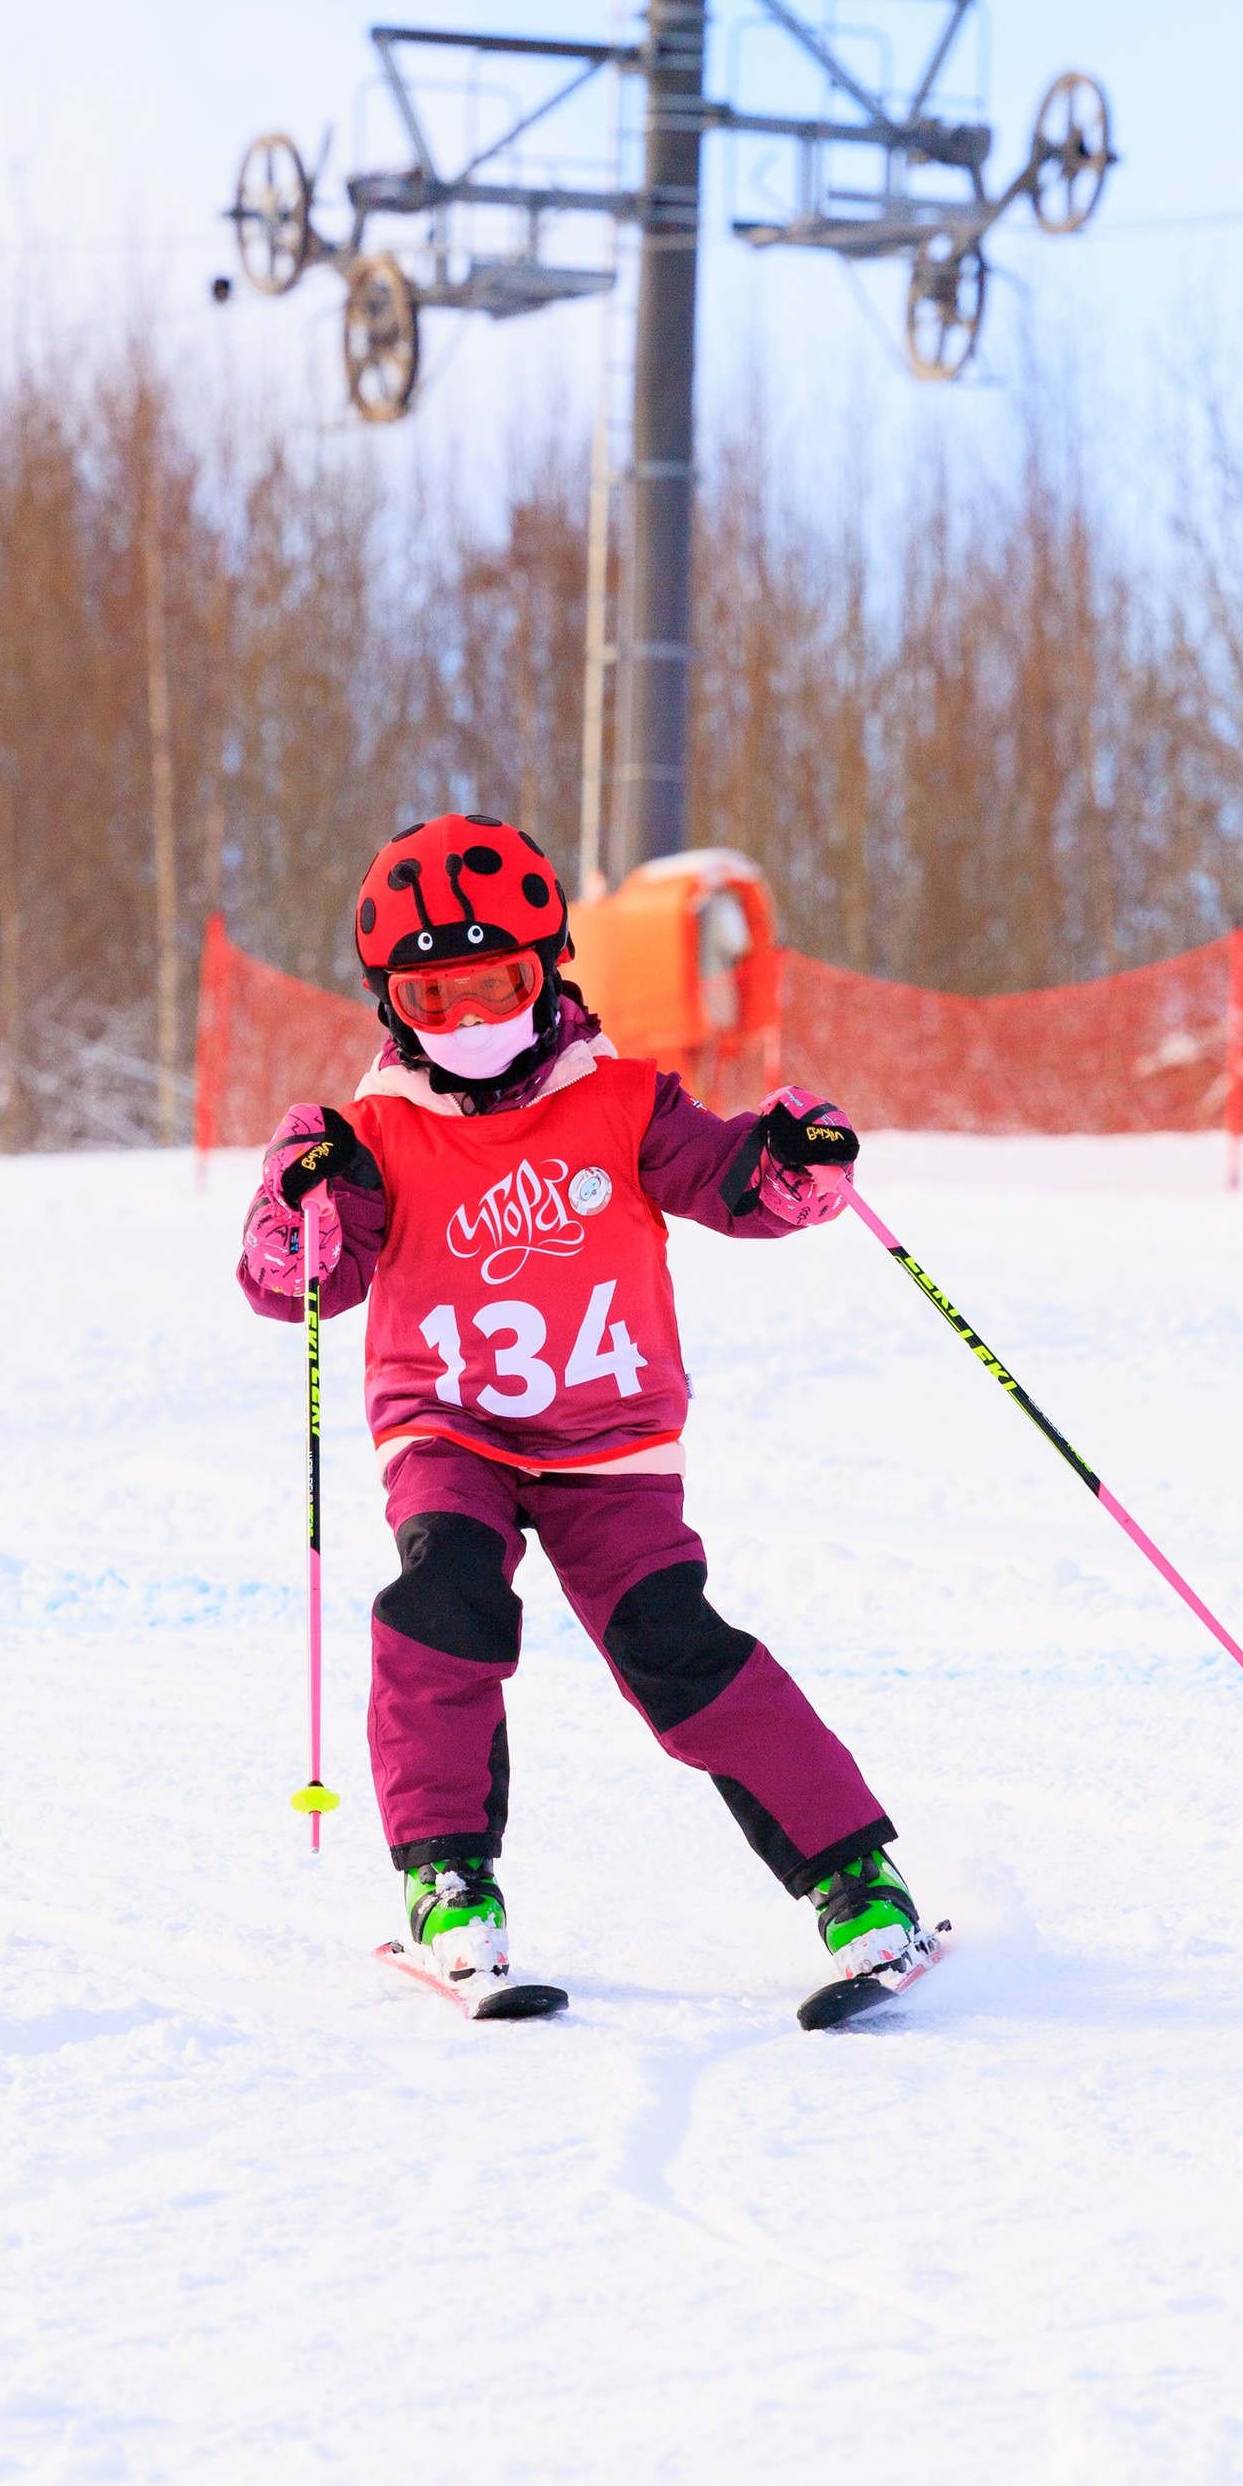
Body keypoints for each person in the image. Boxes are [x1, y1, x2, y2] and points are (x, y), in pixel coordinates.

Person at [236, 809, 919, 1997]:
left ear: (548, 967)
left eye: (494, 982)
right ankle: (447, 1874)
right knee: (440, 1599)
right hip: (452, 1424)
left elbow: (731, 1182)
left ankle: (854, 1875)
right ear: (393, 1005)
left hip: (612, 1438)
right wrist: (295, 1204)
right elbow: (297, 1286)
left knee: (675, 1647)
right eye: (434, 997)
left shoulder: (623, 1100)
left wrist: (792, 1159)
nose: (470, 1020)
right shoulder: (372, 1134)